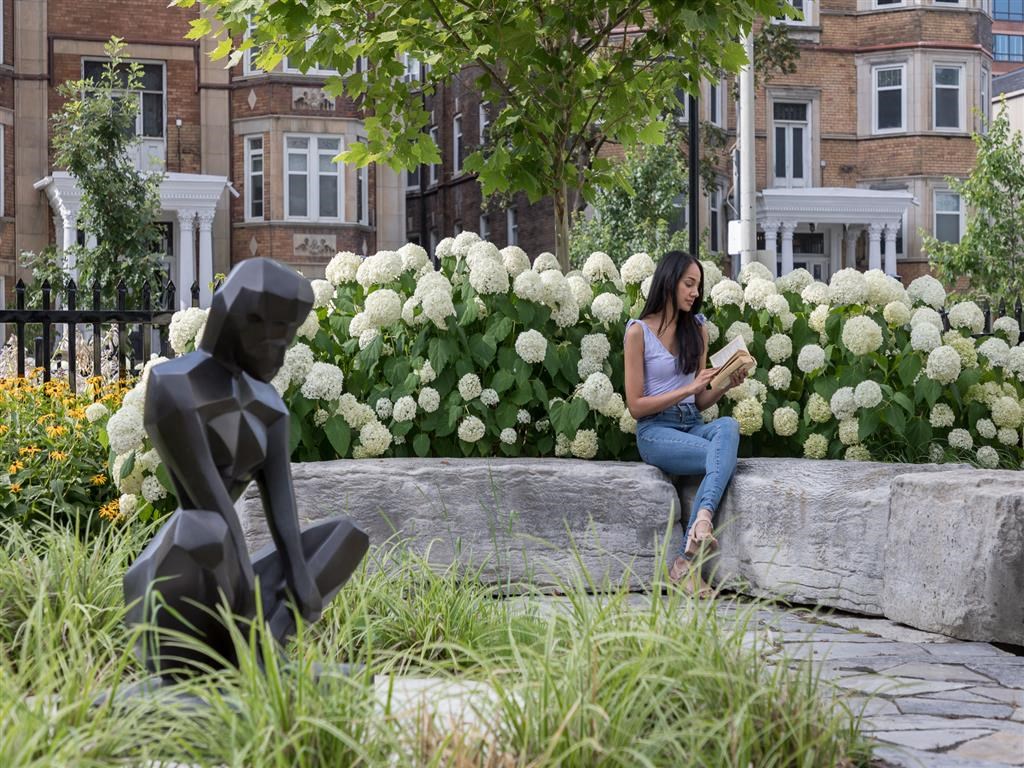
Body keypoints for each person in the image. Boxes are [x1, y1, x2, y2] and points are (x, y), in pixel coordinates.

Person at [623, 251, 746, 598]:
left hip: (691, 423)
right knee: (720, 456)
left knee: (728, 428)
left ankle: (695, 536)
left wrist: (723, 384)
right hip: (655, 431)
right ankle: (686, 562)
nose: (694, 292)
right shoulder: (638, 333)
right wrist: (688, 388)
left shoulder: (698, 329)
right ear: (669, 281)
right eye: (688, 284)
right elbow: (635, 406)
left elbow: (700, 401)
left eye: (698, 286)